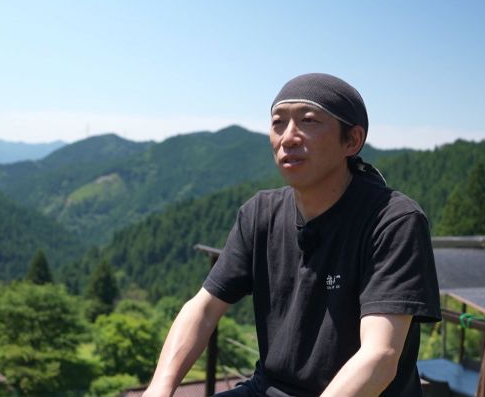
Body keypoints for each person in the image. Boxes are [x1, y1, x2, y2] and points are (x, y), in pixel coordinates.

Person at [143, 73, 441, 397]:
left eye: (308, 121)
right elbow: (203, 310)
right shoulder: (260, 213)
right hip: (266, 389)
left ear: (352, 141)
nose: (288, 137)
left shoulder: (393, 220)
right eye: (278, 123)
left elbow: (380, 356)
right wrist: (159, 389)